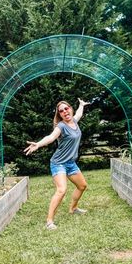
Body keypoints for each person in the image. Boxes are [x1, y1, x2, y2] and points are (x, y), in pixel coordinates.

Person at [24, 98, 90, 230]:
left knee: (82, 186)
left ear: (70, 109)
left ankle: (73, 208)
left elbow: (79, 114)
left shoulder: (75, 121)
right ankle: (49, 221)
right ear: (59, 115)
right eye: (61, 111)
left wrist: (81, 105)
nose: (65, 112)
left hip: (71, 163)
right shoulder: (61, 126)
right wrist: (38, 144)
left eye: (67, 108)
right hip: (58, 163)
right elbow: (51, 137)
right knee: (61, 190)